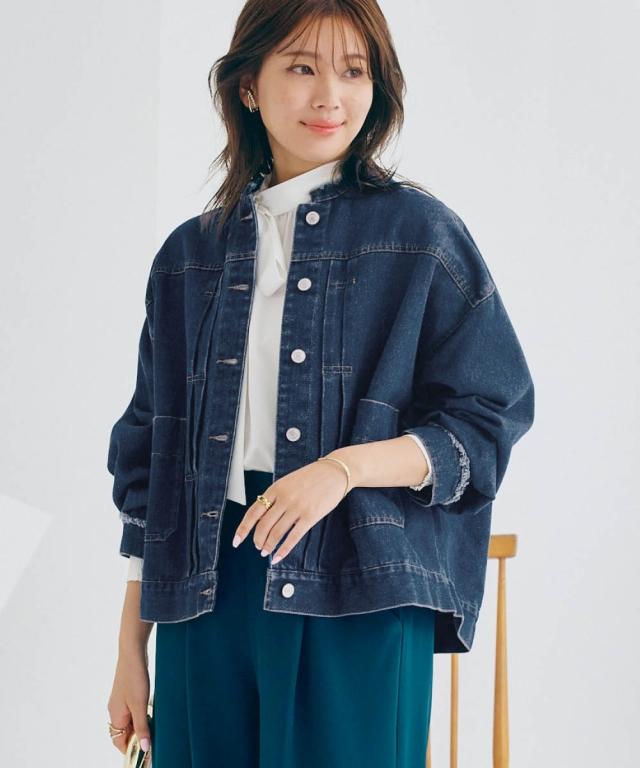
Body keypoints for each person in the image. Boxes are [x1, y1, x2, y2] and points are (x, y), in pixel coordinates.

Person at [106, 2, 535, 766]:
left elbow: (487, 415)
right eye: (302, 67)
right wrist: (130, 649)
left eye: (354, 71)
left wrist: (340, 471)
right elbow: (152, 468)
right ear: (248, 86)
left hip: (358, 587)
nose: (330, 96)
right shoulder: (188, 260)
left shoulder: (420, 238)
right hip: (207, 590)